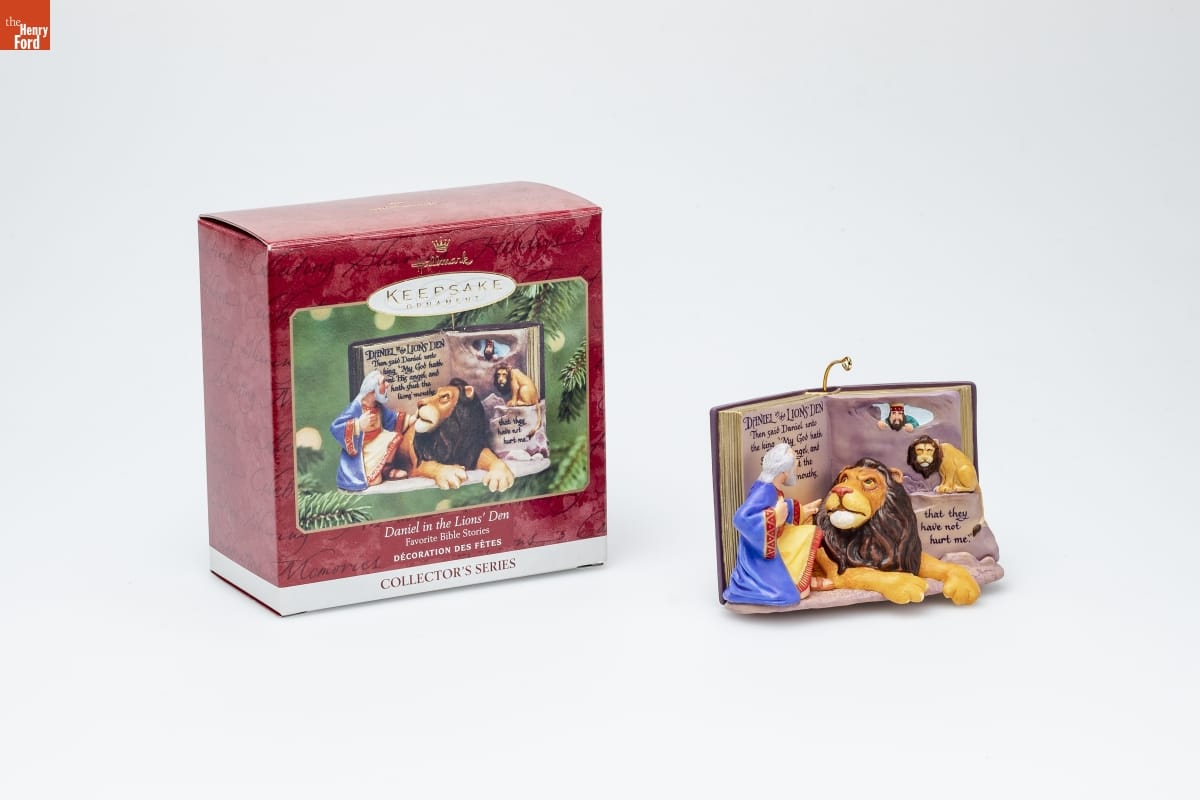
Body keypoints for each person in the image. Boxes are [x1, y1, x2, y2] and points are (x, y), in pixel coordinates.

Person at [723, 443, 824, 607]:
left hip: (769, 540)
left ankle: (799, 580)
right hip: (758, 555)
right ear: (784, 471)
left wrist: (801, 510)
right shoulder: (765, 490)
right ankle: (796, 583)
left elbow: (775, 507)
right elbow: (741, 518)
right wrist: (775, 517)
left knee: (807, 533)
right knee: (808, 535)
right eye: (795, 465)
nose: (796, 469)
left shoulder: (770, 488)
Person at [330, 371, 412, 491]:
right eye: (383, 382)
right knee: (376, 480)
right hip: (364, 450)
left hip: (377, 441)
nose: (387, 385)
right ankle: (371, 474)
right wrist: (358, 425)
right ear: (373, 389)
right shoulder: (356, 407)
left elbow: (392, 419)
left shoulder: (377, 406)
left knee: (395, 437)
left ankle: (386, 469)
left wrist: (412, 420)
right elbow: (336, 427)